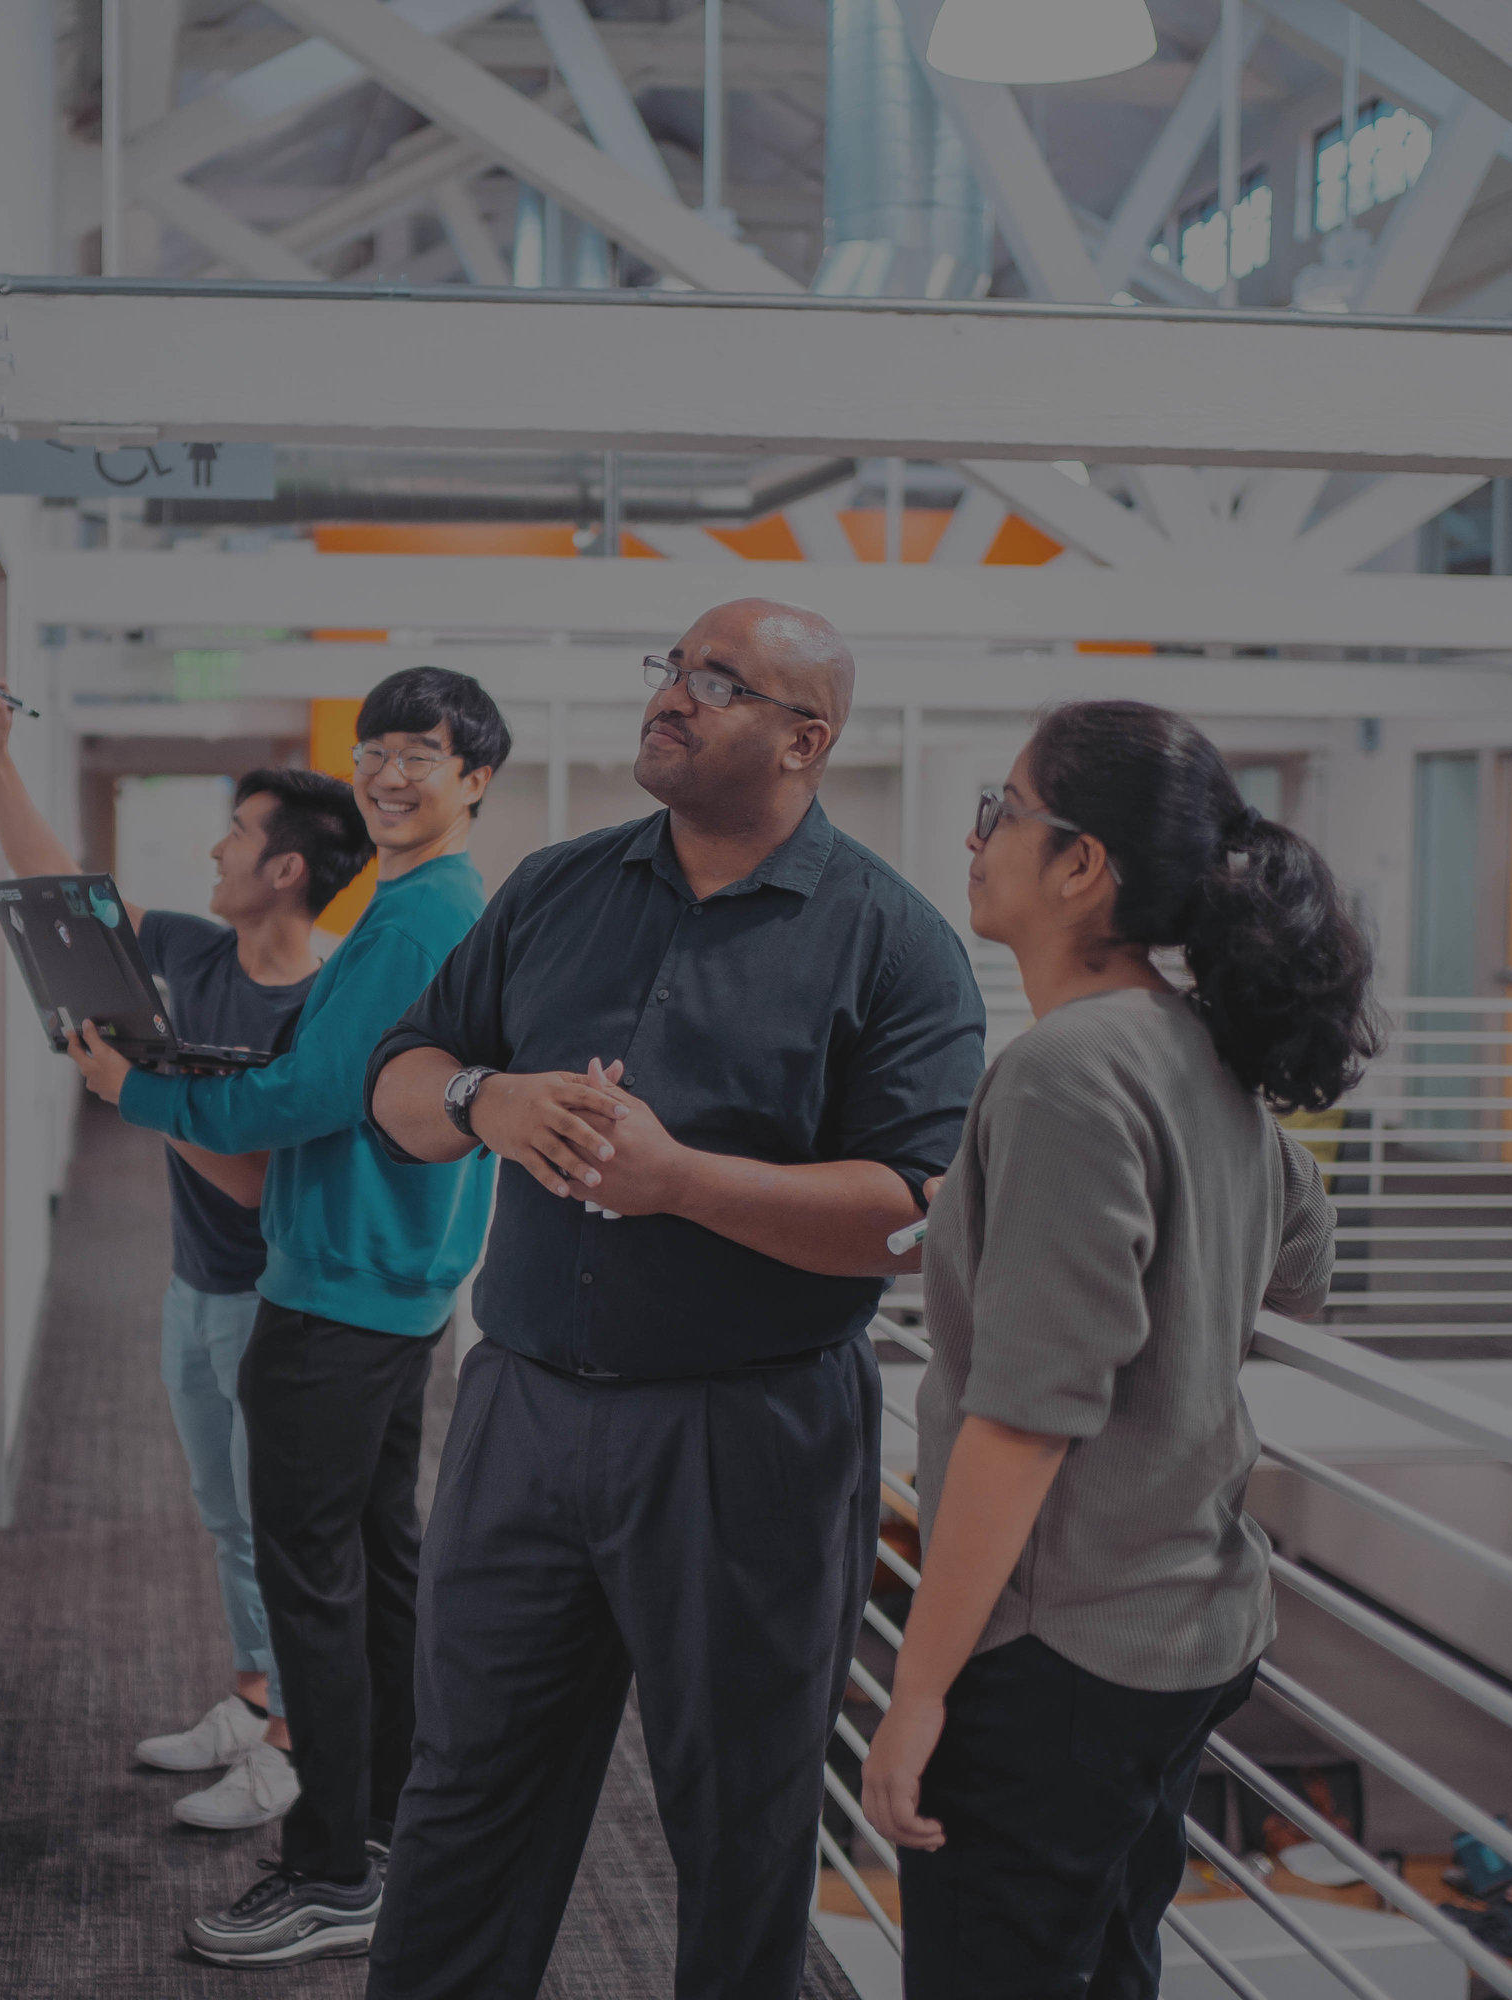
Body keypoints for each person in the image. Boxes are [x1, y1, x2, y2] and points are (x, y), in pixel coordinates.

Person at [364, 598, 987, 2000]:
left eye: (720, 681)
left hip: (746, 1436)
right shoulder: (556, 886)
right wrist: (485, 1097)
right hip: (520, 1409)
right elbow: (402, 1086)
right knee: (465, 1794)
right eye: (673, 668)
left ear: (804, 740)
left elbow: (913, 1216)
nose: (675, 696)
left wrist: (683, 1182)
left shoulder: (893, 943)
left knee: (742, 1823)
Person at [860, 700, 1381, 2000]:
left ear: (1081, 863)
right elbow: (1300, 1268)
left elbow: (1029, 1417)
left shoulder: (1062, 1072)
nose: (976, 839)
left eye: (1002, 811)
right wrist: (992, 1217)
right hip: (1187, 1628)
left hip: (1058, 1657)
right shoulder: (1201, 1050)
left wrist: (916, 1692)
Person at [63, 666, 509, 1968]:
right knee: (375, 1567)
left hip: (339, 1289)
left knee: (316, 1583)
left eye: (418, 752)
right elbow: (333, 1079)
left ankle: (329, 1870)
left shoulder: (423, 914)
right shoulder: (417, 905)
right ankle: (387, 1834)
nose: (385, 769)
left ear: (473, 779)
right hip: (383, 1280)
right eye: (374, 748)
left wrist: (132, 1089)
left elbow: (310, 1094)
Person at [0, 689, 373, 1832]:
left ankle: (296, 1743)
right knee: (222, 1508)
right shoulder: (193, 947)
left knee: (280, 1523)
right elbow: (67, 898)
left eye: (237, 832)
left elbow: (257, 1177)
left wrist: (134, 1090)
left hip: (277, 1295)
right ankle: (256, 1693)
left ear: (287, 869)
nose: (216, 846)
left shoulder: (323, 1004)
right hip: (193, 1284)